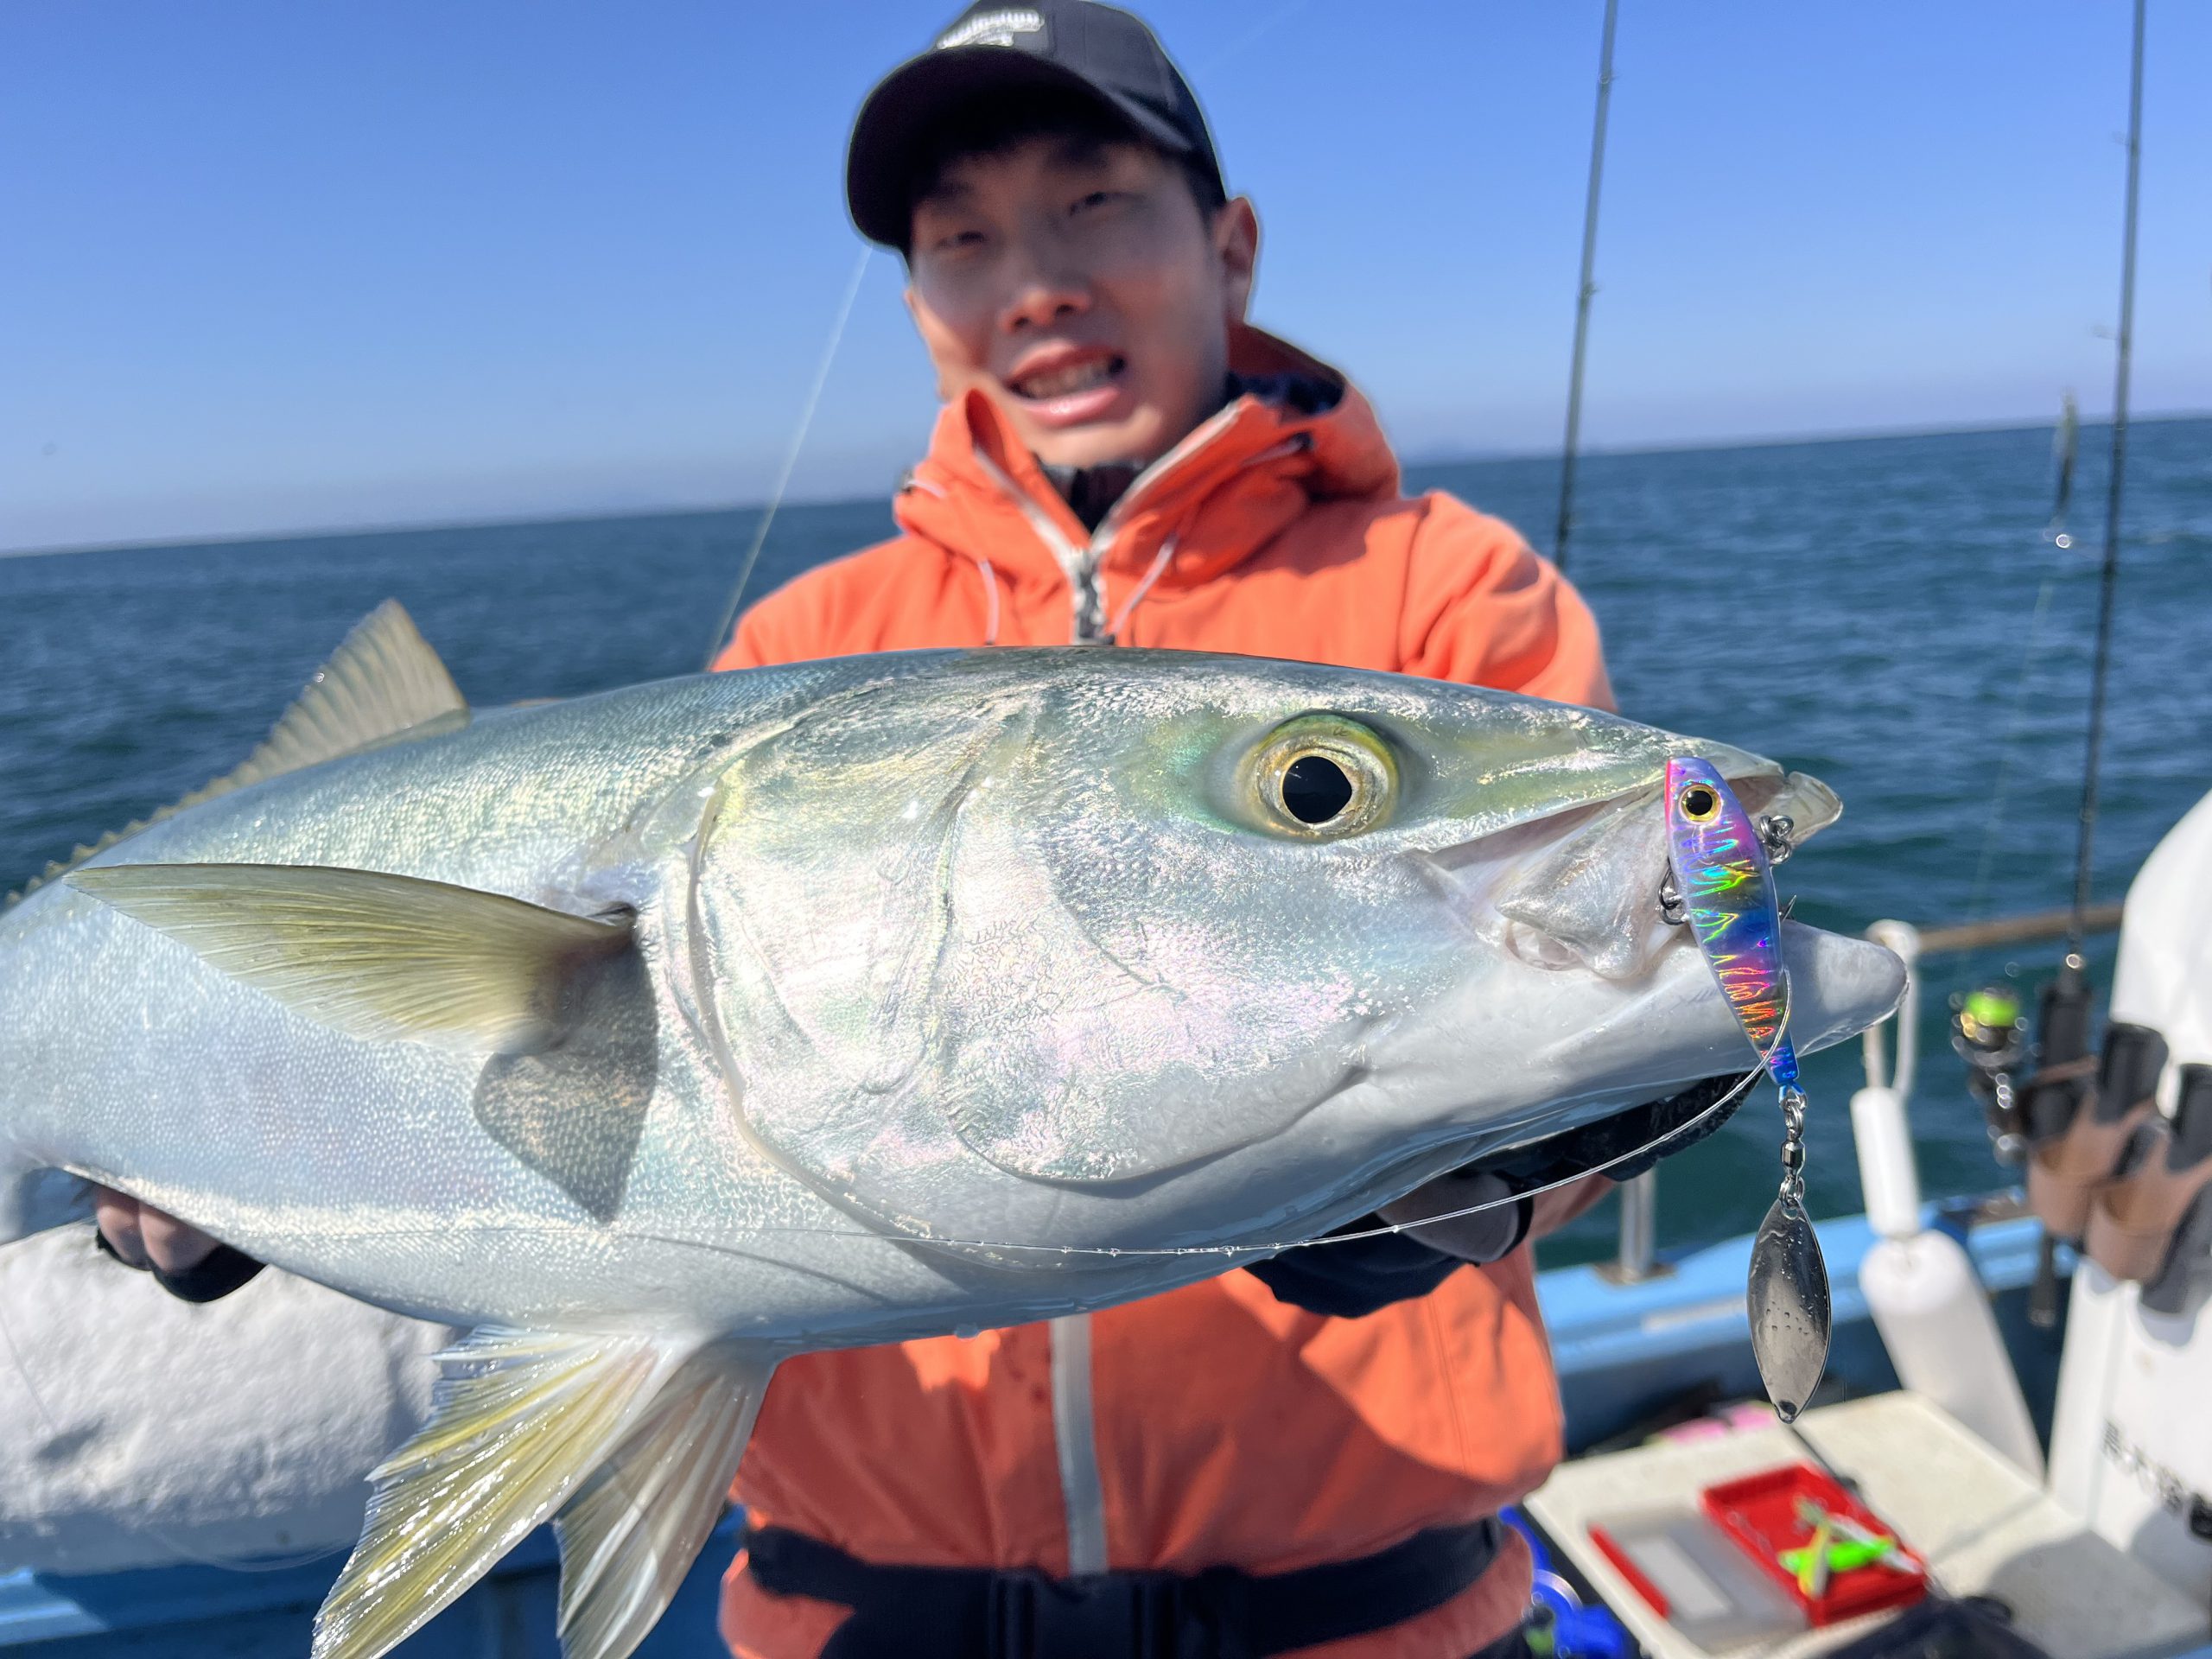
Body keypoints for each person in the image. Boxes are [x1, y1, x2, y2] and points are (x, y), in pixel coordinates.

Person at [97, 5, 1738, 1652]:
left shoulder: (1450, 596)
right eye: (963, 239)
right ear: (918, 305)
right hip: (859, 1618)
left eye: (1096, 202)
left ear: (1230, 246)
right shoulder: (808, 644)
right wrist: (250, 1130)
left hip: (1360, 1615)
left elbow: (1587, 1016)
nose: (1038, 284)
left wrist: (1488, 1192)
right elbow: (647, 1088)